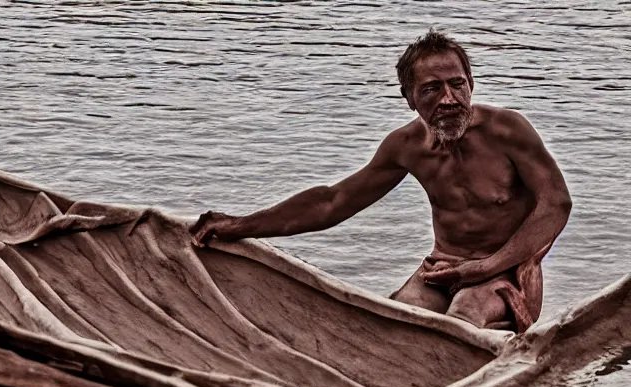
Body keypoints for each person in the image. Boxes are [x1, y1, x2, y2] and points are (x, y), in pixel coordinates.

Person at [189, 29, 572, 333]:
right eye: (431, 89)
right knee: (391, 321)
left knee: (462, 319)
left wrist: (488, 266)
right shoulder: (405, 147)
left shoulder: (508, 130)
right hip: (443, 267)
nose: (449, 99)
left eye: (457, 84)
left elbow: (556, 204)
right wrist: (241, 226)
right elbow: (333, 201)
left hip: (508, 271)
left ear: (471, 82)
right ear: (409, 97)